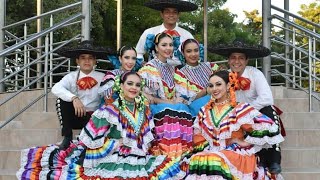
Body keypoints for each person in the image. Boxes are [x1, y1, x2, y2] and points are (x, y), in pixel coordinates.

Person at [16, 71, 185, 179]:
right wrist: (114, 144)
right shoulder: (108, 111)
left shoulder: (145, 111)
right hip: (114, 158)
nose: (134, 88)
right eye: (130, 84)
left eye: (138, 85)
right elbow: (90, 138)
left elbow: (146, 138)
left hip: (140, 159)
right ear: (121, 86)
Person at [185, 70, 284, 179]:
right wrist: (208, 149)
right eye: (211, 86)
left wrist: (243, 142)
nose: (214, 89)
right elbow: (198, 137)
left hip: (235, 154)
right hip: (212, 153)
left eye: (218, 84)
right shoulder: (204, 111)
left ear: (228, 86)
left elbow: (267, 126)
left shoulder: (240, 108)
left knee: (214, 160)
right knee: (198, 159)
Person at [209, 40, 285, 174]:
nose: (236, 61)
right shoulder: (223, 76)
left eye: (241, 58)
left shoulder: (255, 74)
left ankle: (274, 160)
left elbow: (267, 98)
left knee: (269, 110)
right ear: (228, 60)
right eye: (233, 58)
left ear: (247, 60)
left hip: (255, 112)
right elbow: (215, 97)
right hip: (233, 116)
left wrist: (245, 111)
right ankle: (253, 157)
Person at [138, 32, 193, 158]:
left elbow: (176, 93)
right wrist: (170, 102)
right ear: (156, 47)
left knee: (183, 108)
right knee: (171, 110)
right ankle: (168, 153)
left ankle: (182, 151)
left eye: (170, 45)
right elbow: (148, 97)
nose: (168, 48)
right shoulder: (149, 68)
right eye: (164, 45)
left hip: (170, 105)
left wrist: (179, 100)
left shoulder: (172, 68)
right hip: (156, 107)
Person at [51, 40, 109, 150]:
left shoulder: (103, 77)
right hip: (76, 116)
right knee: (61, 100)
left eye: (90, 58)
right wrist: (74, 98)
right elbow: (56, 88)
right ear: (77, 61)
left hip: (94, 119)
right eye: (83, 57)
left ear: (95, 61)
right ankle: (67, 137)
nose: (87, 61)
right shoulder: (71, 77)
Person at [136, 0, 198, 66]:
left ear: (178, 15)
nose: (171, 15)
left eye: (174, 12)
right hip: (155, 72)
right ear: (162, 14)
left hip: (181, 73)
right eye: (167, 12)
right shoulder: (149, 32)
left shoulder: (187, 35)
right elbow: (138, 53)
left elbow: (194, 55)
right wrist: (143, 64)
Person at [175, 38, 220, 116]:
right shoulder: (180, 74)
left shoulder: (210, 66)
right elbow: (186, 101)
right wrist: (205, 91)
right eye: (189, 51)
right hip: (197, 111)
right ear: (183, 53)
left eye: (196, 50)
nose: (193, 54)